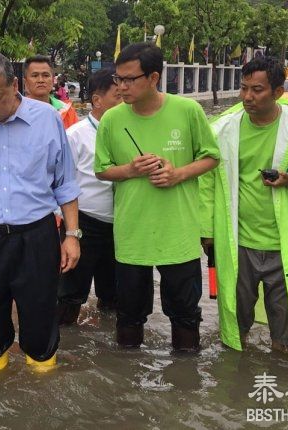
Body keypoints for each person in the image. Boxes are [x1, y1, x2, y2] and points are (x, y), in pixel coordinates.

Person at [202, 57, 288, 359]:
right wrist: (206, 231)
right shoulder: (222, 129)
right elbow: (207, 183)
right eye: (244, 89)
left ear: (278, 91)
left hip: (286, 245)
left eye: (257, 90)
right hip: (238, 242)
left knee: (286, 323)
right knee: (235, 319)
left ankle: (282, 374)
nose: (248, 97)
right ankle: (235, 382)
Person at [0, 52, 81, 372]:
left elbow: (65, 182)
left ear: (14, 86)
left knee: (40, 317)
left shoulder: (47, 119)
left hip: (37, 236)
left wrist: (71, 235)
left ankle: (41, 391)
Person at [94, 43, 219, 352]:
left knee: (186, 316)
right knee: (129, 317)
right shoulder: (111, 119)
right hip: (132, 235)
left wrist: (178, 174)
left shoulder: (187, 111)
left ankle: (185, 386)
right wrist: (131, 169)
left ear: (153, 78)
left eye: (129, 79)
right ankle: (128, 392)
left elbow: (211, 157)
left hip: (178, 235)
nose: (121, 86)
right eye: (117, 79)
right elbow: (102, 170)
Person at [58, 68, 122, 325]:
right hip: (84, 223)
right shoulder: (75, 135)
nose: (125, 100)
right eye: (118, 95)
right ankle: (66, 348)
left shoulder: (128, 131)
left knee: (114, 295)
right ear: (97, 100)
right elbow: (61, 182)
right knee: (70, 294)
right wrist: (66, 230)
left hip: (121, 226)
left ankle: (110, 354)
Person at [23, 55, 79, 128]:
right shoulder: (16, 113)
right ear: (25, 82)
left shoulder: (67, 111)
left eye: (45, 75)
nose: (41, 80)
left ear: (53, 80)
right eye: (35, 75)